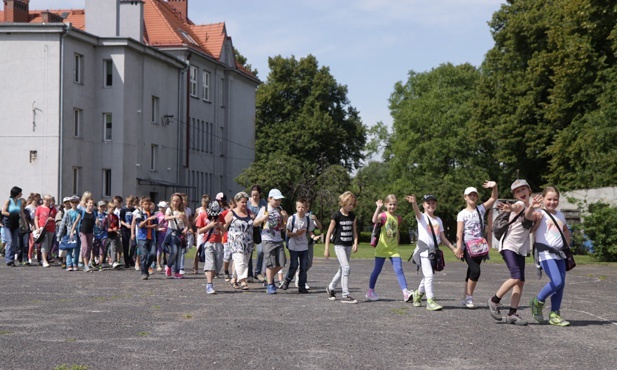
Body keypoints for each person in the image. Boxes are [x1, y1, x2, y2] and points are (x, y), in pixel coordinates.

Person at [488, 179, 542, 326]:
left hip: (521, 248)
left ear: (529, 190)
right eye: (518, 191)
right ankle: (494, 300)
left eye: (523, 189)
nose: (521, 193)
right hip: (509, 245)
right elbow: (514, 208)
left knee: (521, 281)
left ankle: (512, 313)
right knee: (516, 276)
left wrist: (537, 222)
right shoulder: (519, 205)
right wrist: (509, 208)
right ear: (515, 195)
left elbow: (529, 230)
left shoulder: (532, 208)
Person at [406, 194, 457, 311]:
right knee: (429, 275)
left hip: (434, 252)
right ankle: (430, 301)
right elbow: (417, 212)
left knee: (428, 276)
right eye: (428, 203)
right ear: (424, 205)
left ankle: (417, 295)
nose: (431, 205)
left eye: (433, 203)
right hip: (424, 251)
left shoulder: (438, 220)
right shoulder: (422, 217)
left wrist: (453, 249)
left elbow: (442, 237)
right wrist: (414, 203)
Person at [529, 187, 572, 326]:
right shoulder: (539, 213)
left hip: (560, 253)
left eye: (555, 199)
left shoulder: (560, 215)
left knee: (561, 285)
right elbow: (530, 224)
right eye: (549, 199)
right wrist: (533, 210)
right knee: (557, 281)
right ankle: (537, 301)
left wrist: (567, 243)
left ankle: (555, 314)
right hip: (545, 253)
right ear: (543, 199)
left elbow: (565, 229)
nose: (552, 202)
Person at [455, 181, 498, 308]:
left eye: (474, 195)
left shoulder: (480, 209)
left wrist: (494, 186)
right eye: (470, 195)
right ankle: (469, 297)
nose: (472, 197)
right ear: (465, 197)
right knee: (475, 271)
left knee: (470, 273)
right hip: (468, 246)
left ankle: (465, 298)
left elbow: (493, 198)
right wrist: (458, 247)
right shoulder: (462, 213)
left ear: (477, 197)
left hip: (479, 246)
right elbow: (460, 231)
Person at [366, 195, 413, 302]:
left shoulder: (398, 218)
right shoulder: (383, 215)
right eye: (390, 204)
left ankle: (405, 293)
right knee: (377, 270)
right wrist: (378, 207)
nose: (392, 206)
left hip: (393, 249)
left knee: (399, 269)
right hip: (382, 248)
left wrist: (397, 243)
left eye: (394, 204)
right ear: (386, 204)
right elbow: (374, 220)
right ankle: (370, 291)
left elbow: (397, 232)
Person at [324, 191, 359, 304]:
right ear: (343, 203)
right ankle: (345, 295)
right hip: (339, 245)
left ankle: (331, 287)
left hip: (348, 245)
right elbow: (329, 233)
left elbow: (354, 231)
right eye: (350, 204)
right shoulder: (336, 216)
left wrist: (355, 242)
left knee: (342, 269)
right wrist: (326, 248)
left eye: (353, 204)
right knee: (346, 268)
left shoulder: (353, 216)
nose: (351, 206)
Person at [254, 189, 288, 294]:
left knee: (282, 262)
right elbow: (255, 223)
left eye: (280, 200)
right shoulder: (264, 209)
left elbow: (284, 225)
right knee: (270, 264)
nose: (278, 202)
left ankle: (268, 278)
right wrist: (263, 219)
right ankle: (270, 284)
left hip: (278, 239)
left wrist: (285, 217)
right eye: (276, 199)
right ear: (269, 199)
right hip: (267, 239)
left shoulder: (280, 209)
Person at [280, 198, 315, 294]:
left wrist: (313, 237)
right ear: (296, 207)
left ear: (306, 208)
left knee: (304, 267)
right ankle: (287, 280)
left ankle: (302, 286)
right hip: (293, 246)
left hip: (304, 246)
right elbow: (288, 234)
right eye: (299, 207)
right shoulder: (292, 219)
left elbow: (310, 231)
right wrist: (297, 233)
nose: (301, 209)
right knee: (294, 265)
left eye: (303, 207)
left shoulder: (308, 219)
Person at [224, 192, 255, 290]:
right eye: (242, 202)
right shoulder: (231, 213)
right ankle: (243, 281)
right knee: (240, 260)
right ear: (237, 202)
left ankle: (233, 279)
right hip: (236, 242)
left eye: (246, 202)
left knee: (244, 261)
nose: (244, 204)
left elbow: (254, 224)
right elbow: (224, 227)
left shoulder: (250, 212)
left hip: (248, 242)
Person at [195, 200, 225, 294]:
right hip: (208, 242)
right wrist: (210, 225)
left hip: (218, 242)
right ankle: (209, 284)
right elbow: (199, 231)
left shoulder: (220, 216)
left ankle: (209, 275)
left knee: (218, 265)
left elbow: (224, 230)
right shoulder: (203, 215)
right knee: (210, 263)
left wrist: (220, 226)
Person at [164, 193, 189, 279]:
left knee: (179, 253)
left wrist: (186, 229)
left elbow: (186, 223)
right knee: (174, 251)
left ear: (180, 202)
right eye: (174, 201)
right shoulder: (169, 210)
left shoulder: (183, 211)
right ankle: (168, 266)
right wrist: (175, 216)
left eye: (177, 201)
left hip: (180, 232)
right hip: (172, 232)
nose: (175, 202)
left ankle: (177, 271)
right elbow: (165, 218)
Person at [134, 197, 158, 280]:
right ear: (142, 204)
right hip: (142, 237)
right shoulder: (139, 213)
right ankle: (144, 272)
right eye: (145, 204)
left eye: (149, 204)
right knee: (143, 255)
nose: (147, 206)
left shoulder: (152, 213)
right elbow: (140, 225)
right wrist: (147, 219)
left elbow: (155, 225)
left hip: (151, 237)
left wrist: (146, 226)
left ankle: (146, 267)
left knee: (152, 253)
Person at [2, 186, 27, 266]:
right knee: (9, 241)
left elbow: (22, 213)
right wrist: (10, 214)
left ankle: (12, 259)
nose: (21, 194)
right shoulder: (8, 201)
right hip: (8, 222)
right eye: (20, 192)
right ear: (17, 193)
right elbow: (3, 211)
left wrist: (25, 223)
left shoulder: (19, 202)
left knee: (15, 243)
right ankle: (8, 259)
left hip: (16, 222)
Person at [247, 185, 267, 282]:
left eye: (256, 195)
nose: (255, 197)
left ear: (260, 194)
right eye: (253, 195)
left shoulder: (263, 203)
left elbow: (267, 213)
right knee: (249, 252)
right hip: (250, 229)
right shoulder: (247, 202)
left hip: (259, 230)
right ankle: (249, 273)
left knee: (260, 251)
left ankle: (258, 272)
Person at [34, 194, 58, 267]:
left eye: (49, 200)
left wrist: (53, 219)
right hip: (42, 228)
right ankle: (44, 260)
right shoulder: (39, 208)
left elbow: (57, 218)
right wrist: (37, 227)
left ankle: (44, 259)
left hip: (51, 228)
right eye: (46, 200)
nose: (47, 202)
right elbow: (36, 218)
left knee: (49, 245)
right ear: (43, 200)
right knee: (44, 244)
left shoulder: (53, 209)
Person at [79, 199, 96, 273]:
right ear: (86, 204)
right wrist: (73, 230)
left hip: (90, 232)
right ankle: (85, 265)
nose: (91, 205)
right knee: (85, 247)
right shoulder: (82, 212)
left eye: (92, 203)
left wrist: (98, 223)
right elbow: (78, 221)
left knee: (89, 248)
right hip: (83, 232)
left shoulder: (94, 213)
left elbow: (96, 222)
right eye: (90, 203)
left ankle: (86, 263)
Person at [106, 198, 122, 269]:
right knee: (105, 248)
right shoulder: (105, 216)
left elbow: (117, 224)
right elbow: (103, 225)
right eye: (111, 208)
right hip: (106, 234)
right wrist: (107, 229)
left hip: (113, 234)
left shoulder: (115, 216)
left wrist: (116, 228)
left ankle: (114, 261)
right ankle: (102, 261)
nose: (112, 210)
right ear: (108, 208)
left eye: (114, 208)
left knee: (113, 248)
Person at [155, 201, 169, 271]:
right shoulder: (158, 215)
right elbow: (155, 224)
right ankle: (158, 264)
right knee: (159, 249)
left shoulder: (168, 214)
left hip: (167, 233)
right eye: (159, 207)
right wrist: (158, 228)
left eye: (161, 207)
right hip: (160, 233)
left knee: (167, 250)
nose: (160, 209)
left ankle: (167, 264)